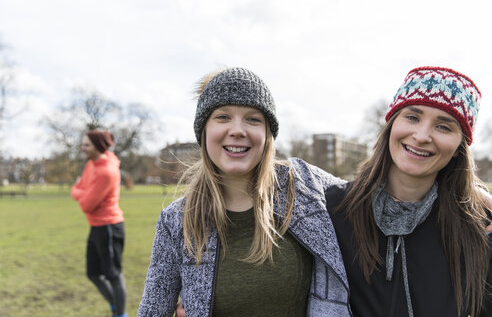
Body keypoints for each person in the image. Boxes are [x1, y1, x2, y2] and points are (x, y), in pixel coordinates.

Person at [137, 67, 352, 316]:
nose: (238, 130)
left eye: (253, 119)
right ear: (204, 129)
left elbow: (374, 197)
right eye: (223, 117)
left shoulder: (304, 187)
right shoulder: (177, 221)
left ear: (267, 135)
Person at [325, 67, 492, 316]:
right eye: (413, 117)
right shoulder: (333, 208)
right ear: (392, 124)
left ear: (460, 146)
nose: (422, 136)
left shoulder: (478, 228)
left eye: (444, 127)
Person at [71, 130, 127, 317]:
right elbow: (80, 190)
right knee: (93, 274)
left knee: (113, 275)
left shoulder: (106, 172)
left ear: (98, 146)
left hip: (109, 227)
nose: (82, 148)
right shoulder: (92, 164)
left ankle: (120, 314)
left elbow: (86, 203)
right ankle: (115, 306)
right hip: (96, 227)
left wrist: (79, 191)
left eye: (87, 144)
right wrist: (80, 191)